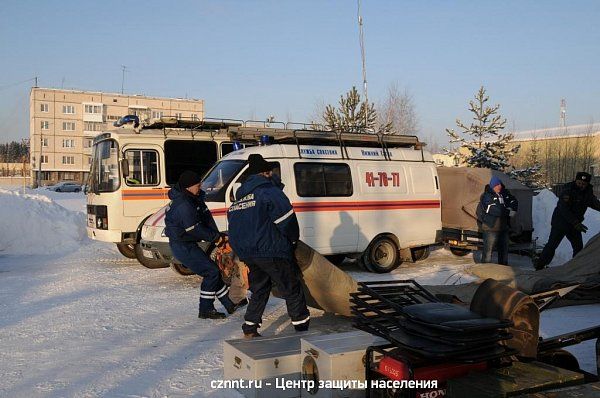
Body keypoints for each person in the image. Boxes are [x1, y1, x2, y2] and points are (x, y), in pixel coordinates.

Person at [227, 154, 310, 338]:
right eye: (270, 172)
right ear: (265, 173)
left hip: (249, 253)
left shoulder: (239, 200)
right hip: (271, 250)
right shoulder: (269, 191)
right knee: (291, 286)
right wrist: (293, 241)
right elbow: (286, 220)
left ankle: (249, 327)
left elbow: (234, 228)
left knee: (260, 288)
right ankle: (302, 330)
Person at [165, 170, 247, 319]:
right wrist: (217, 238)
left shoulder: (193, 198)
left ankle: (228, 303)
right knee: (211, 272)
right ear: (189, 187)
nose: (200, 187)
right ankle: (206, 309)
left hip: (187, 243)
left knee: (213, 270)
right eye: (198, 184)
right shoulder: (184, 204)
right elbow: (194, 228)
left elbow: (206, 219)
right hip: (182, 246)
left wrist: (218, 237)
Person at [535, 172, 600, 270]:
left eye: (583, 184)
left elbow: (595, 204)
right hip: (561, 223)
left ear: (586, 184)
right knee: (552, 245)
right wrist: (575, 223)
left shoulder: (588, 193)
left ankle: (576, 268)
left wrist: (575, 223)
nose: (581, 185)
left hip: (574, 225)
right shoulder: (568, 190)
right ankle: (540, 267)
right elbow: (563, 208)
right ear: (576, 181)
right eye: (579, 183)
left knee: (578, 248)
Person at [477, 175, 518, 265]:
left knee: (504, 252)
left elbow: (514, 201)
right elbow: (493, 209)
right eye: (496, 185)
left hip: (503, 228)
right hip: (490, 228)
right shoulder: (487, 195)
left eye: (499, 185)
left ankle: (503, 270)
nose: (499, 187)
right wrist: (508, 212)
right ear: (492, 186)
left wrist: (512, 208)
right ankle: (485, 271)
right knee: (488, 252)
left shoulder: (504, 194)